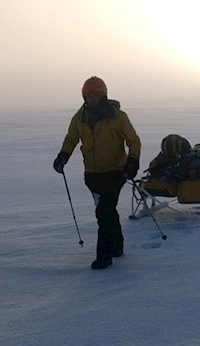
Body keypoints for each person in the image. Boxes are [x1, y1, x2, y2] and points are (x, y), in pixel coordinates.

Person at [53, 76, 141, 270]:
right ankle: (117, 247)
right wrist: (63, 156)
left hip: (115, 172)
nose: (93, 97)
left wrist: (132, 162)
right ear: (84, 95)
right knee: (108, 211)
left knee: (103, 212)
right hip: (92, 176)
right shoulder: (80, 117)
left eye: (97, 93)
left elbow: (133, 141)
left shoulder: (118, 116)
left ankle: (104, 255)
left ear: (104, 94)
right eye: (90, 94)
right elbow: (71, 139)